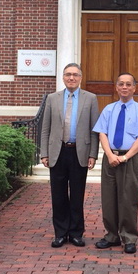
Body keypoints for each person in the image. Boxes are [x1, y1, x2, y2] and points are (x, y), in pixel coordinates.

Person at [93, 72, 138, 254]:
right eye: (121, 84)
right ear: (116, 87)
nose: (124, 87)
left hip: (131, 160)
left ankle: (129, 238)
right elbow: (102, 133)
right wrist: (109, 155)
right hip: (110, 159)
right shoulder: (109, 110)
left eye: (128, 84)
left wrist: (125, 157)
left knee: (128, 200)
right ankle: (111, 236)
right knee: (109, 199)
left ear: (134, 88)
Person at [40, 63, 99, 248]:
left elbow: (94, 130)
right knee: (58, 196)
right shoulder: (52, 98)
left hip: (79, 152)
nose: (71, 78)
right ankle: (60, 233)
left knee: (77, 195)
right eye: (68, 74)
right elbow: (45, 128)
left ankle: (75, 233)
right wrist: (44, 153)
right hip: (57, 152)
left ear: (80, 77)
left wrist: (93, 154)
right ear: (63, 77)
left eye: (75, 74)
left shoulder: (91, 98)